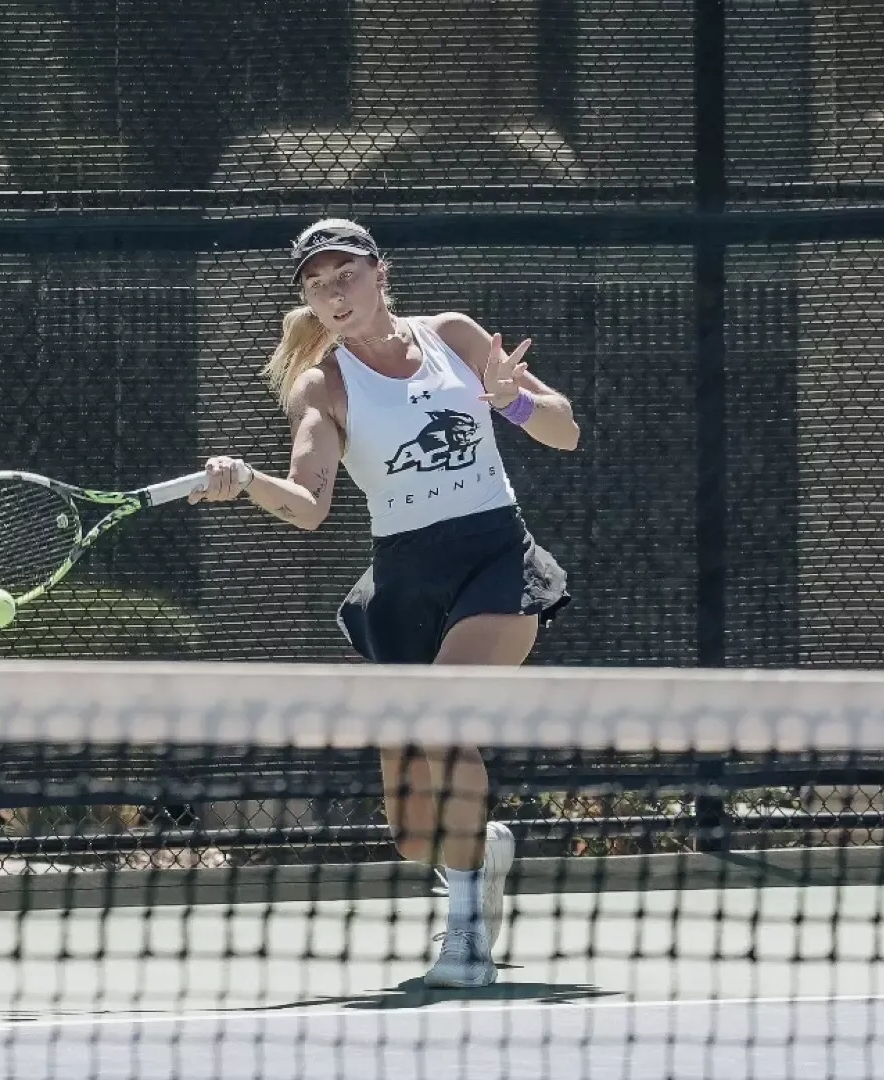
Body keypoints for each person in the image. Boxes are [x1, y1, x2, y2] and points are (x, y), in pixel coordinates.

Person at [188, 218, 579, 988]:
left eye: (346, 276)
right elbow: (307, 504)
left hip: (495, 557)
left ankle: (466, 936)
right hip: (404, 580)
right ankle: (481, 847)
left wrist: (512, 404)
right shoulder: (321, 385)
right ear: (307, 298)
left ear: (379, 272)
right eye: (317, 283)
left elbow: (565, 431)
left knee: (439, 719)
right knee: (409, 835)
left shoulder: (453, 335)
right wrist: (247, 481)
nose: (334, 294)